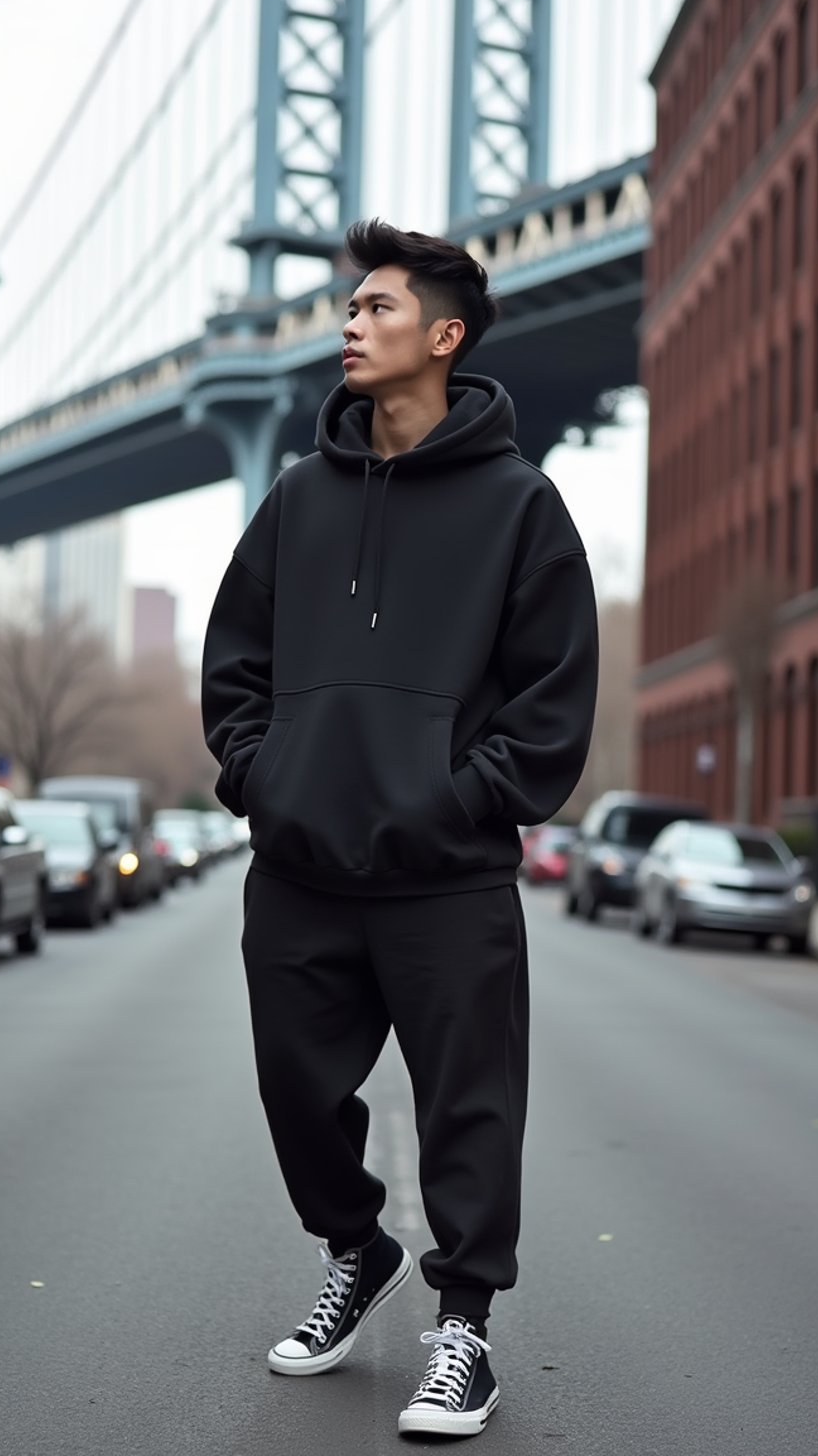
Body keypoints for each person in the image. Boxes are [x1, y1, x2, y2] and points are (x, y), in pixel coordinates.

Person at [201, 220, 598, 1439]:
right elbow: (236, 670)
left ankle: (464, 1331)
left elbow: (551, 699)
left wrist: (456, 799)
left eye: (375, 309)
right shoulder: (294, 497)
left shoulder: (522, 506)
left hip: (446, 880)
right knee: (295, 1093)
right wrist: (264, 779)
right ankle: (356, 1250)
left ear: (445, 335)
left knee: (469, 1106)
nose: (347, 326)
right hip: (301, 870)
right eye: (347, 308)